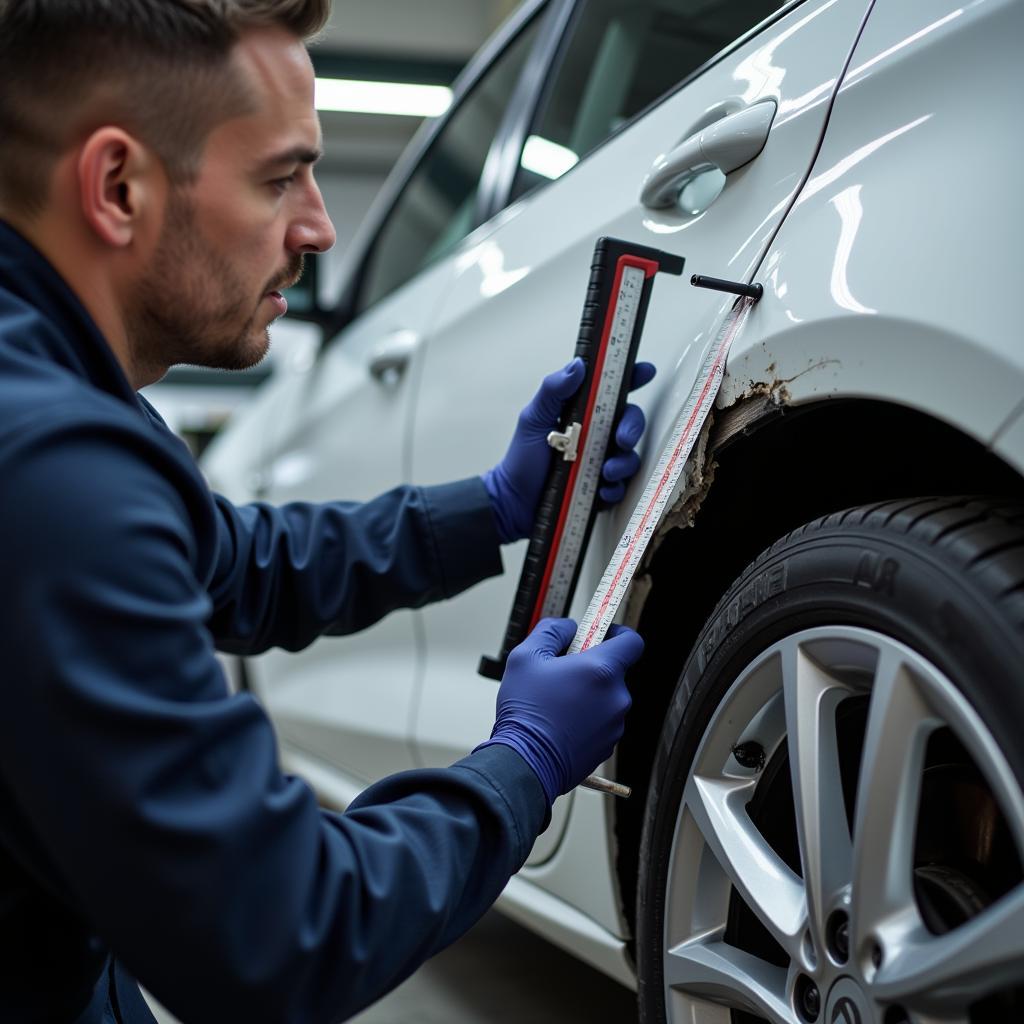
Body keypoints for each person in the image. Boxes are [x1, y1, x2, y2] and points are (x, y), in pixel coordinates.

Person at [0, 2, 656, 1022]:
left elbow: (239, 566)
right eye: (278, 177)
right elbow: (279, 933)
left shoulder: (54, 397)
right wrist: (518, 767)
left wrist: (490, 507)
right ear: (117, 187)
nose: (319, 224)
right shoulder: (51, 470)